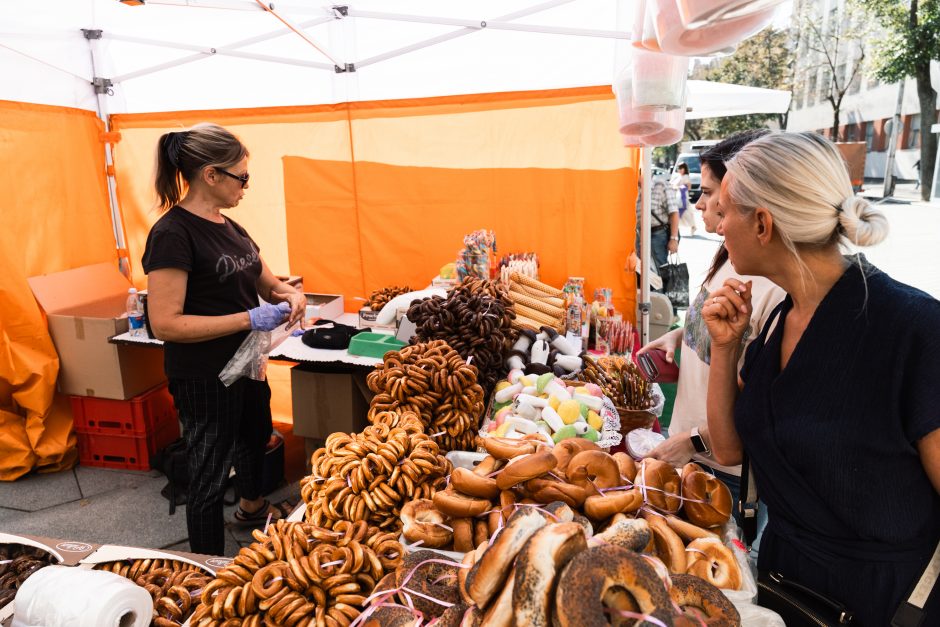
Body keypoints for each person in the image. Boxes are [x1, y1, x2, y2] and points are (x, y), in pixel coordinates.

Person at [704, 131, 940, 625]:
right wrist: (725, 350)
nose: (718, 226)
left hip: (883, 605)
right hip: (783, 590)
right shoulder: (775, 321)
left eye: (725, 211)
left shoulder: (914, 329)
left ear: (763, 224)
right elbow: (729, 452)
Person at [142, 123, 307, 556]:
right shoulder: (172, 234)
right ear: (211, 175)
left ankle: (251, 510)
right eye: (242, 177)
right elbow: (165, 324)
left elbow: (267, 282)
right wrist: (246, 318)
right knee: (209, 473)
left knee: (254, 437)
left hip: (248, 362)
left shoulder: (231, 227)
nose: (247, 186)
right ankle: (206, 569)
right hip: (204, 374)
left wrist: (291, 294)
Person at [637, 130, 785, 522]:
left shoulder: (771, 285)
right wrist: (682, 336)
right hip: (691, 453)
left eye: (709, 192)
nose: (702, 205)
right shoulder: (732, 259)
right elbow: (720, 335)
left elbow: (760, 407)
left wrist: (694, 441)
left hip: (724, 473)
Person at [634, 169, 679, 289]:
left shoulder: (661, 185)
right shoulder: (634, 189)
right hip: (640, 235)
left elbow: (674, 212)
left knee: (660, 272)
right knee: (643, 273)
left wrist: (673, 239)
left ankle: (663, 301)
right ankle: (653, 300)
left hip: (658, 234)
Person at [670, 162, 696, 235]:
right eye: (679, 168)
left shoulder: (686, 177)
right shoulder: (679, 176)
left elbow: (689, 187)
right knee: (681, 212)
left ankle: (693, 226)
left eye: (681, 168)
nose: (680, 170)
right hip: (678, 196)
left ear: (684, 169)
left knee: (685, 212)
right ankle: (678, 226)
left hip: (683, 197)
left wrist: (680, 187)